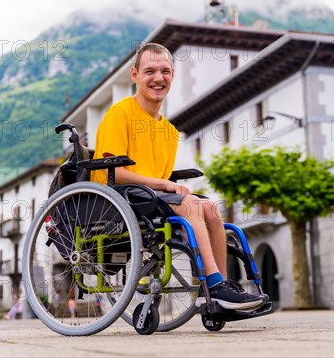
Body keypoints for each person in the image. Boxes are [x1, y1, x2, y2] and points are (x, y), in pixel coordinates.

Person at [91, 42, 265, 311]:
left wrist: (166, 186)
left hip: (151, 196)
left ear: (172, 75)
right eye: (149, 71)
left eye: (165, 71)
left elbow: (160, 176)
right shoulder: (120, 113)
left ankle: (223, 290)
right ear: (135, 75)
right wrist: (164, 184)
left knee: (210, 208)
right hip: (119, 196)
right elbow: (112, 172)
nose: (158, 78)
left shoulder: (169, 132)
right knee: (193, 204)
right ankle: (215, 285)